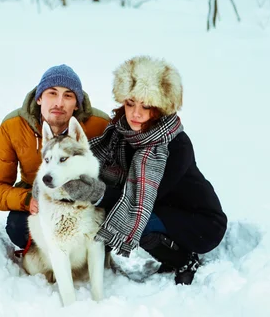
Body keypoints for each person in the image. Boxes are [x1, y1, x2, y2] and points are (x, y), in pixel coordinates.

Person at [89, 55, 227, 285]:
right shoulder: (121, 135)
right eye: (130, 103)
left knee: (136, 218)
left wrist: (95, 192)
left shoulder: (175, 144)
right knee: (124, 212)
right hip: (167, 211)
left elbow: (138, 201)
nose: (135, 113)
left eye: (147, 106)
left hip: (201, 223)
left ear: (162, 107)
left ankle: (184, 260)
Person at [0, 64, 110, 250]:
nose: (59, 102)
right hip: (40, 195)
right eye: (52, 93)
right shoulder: (13, 127)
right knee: (18, 228)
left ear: (77, 104)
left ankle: (91, 255)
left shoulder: (100, 124)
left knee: (111, 220)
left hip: (84, 197)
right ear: (39, 98)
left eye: (68, 95)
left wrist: (95, 193)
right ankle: (47, 255)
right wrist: (27, 199)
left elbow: (120, 172)